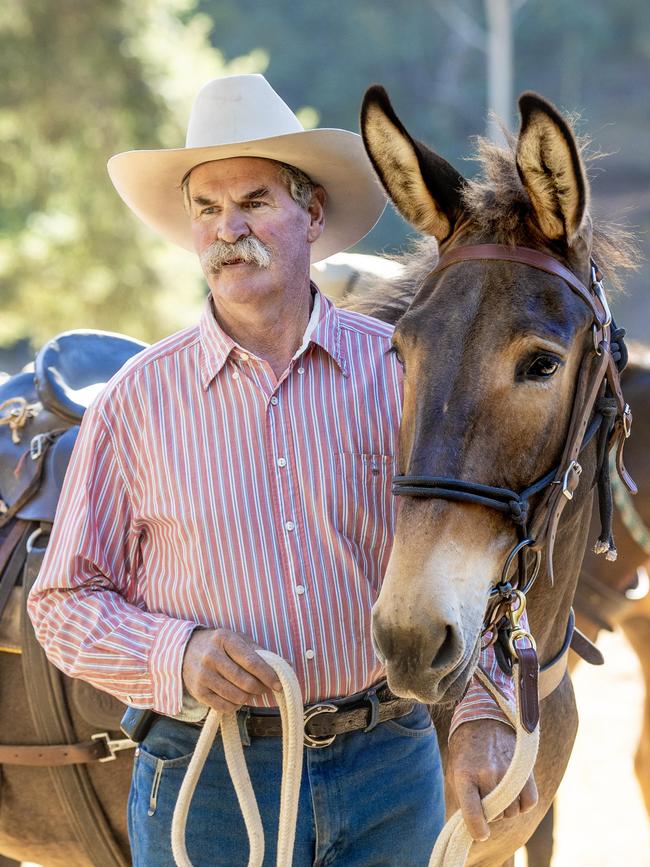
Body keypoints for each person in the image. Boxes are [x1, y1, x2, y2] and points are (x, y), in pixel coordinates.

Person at [28, 74, 536, 866]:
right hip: (209, 781)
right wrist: (177, 653)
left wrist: (479, 713)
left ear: (313, 213)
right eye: (207, 208)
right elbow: (61, 602)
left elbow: (487, 563)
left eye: (256, 200)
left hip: (389, 767)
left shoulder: (402, 375)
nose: (229, 229)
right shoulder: (137, 401)